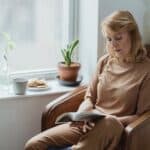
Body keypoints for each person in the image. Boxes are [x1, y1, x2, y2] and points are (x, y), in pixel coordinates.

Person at [25, 10, 150, 150]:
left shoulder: (146, 70)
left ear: (132, 35)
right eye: (109, 39)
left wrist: (104, 120)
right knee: (34, 145)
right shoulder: (104, 62)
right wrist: (83, 115)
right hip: (90, 123)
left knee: (110, 122)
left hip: (115, 128)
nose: (113, 44)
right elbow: (89, 98)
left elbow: (142, 117)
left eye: (118, 38)